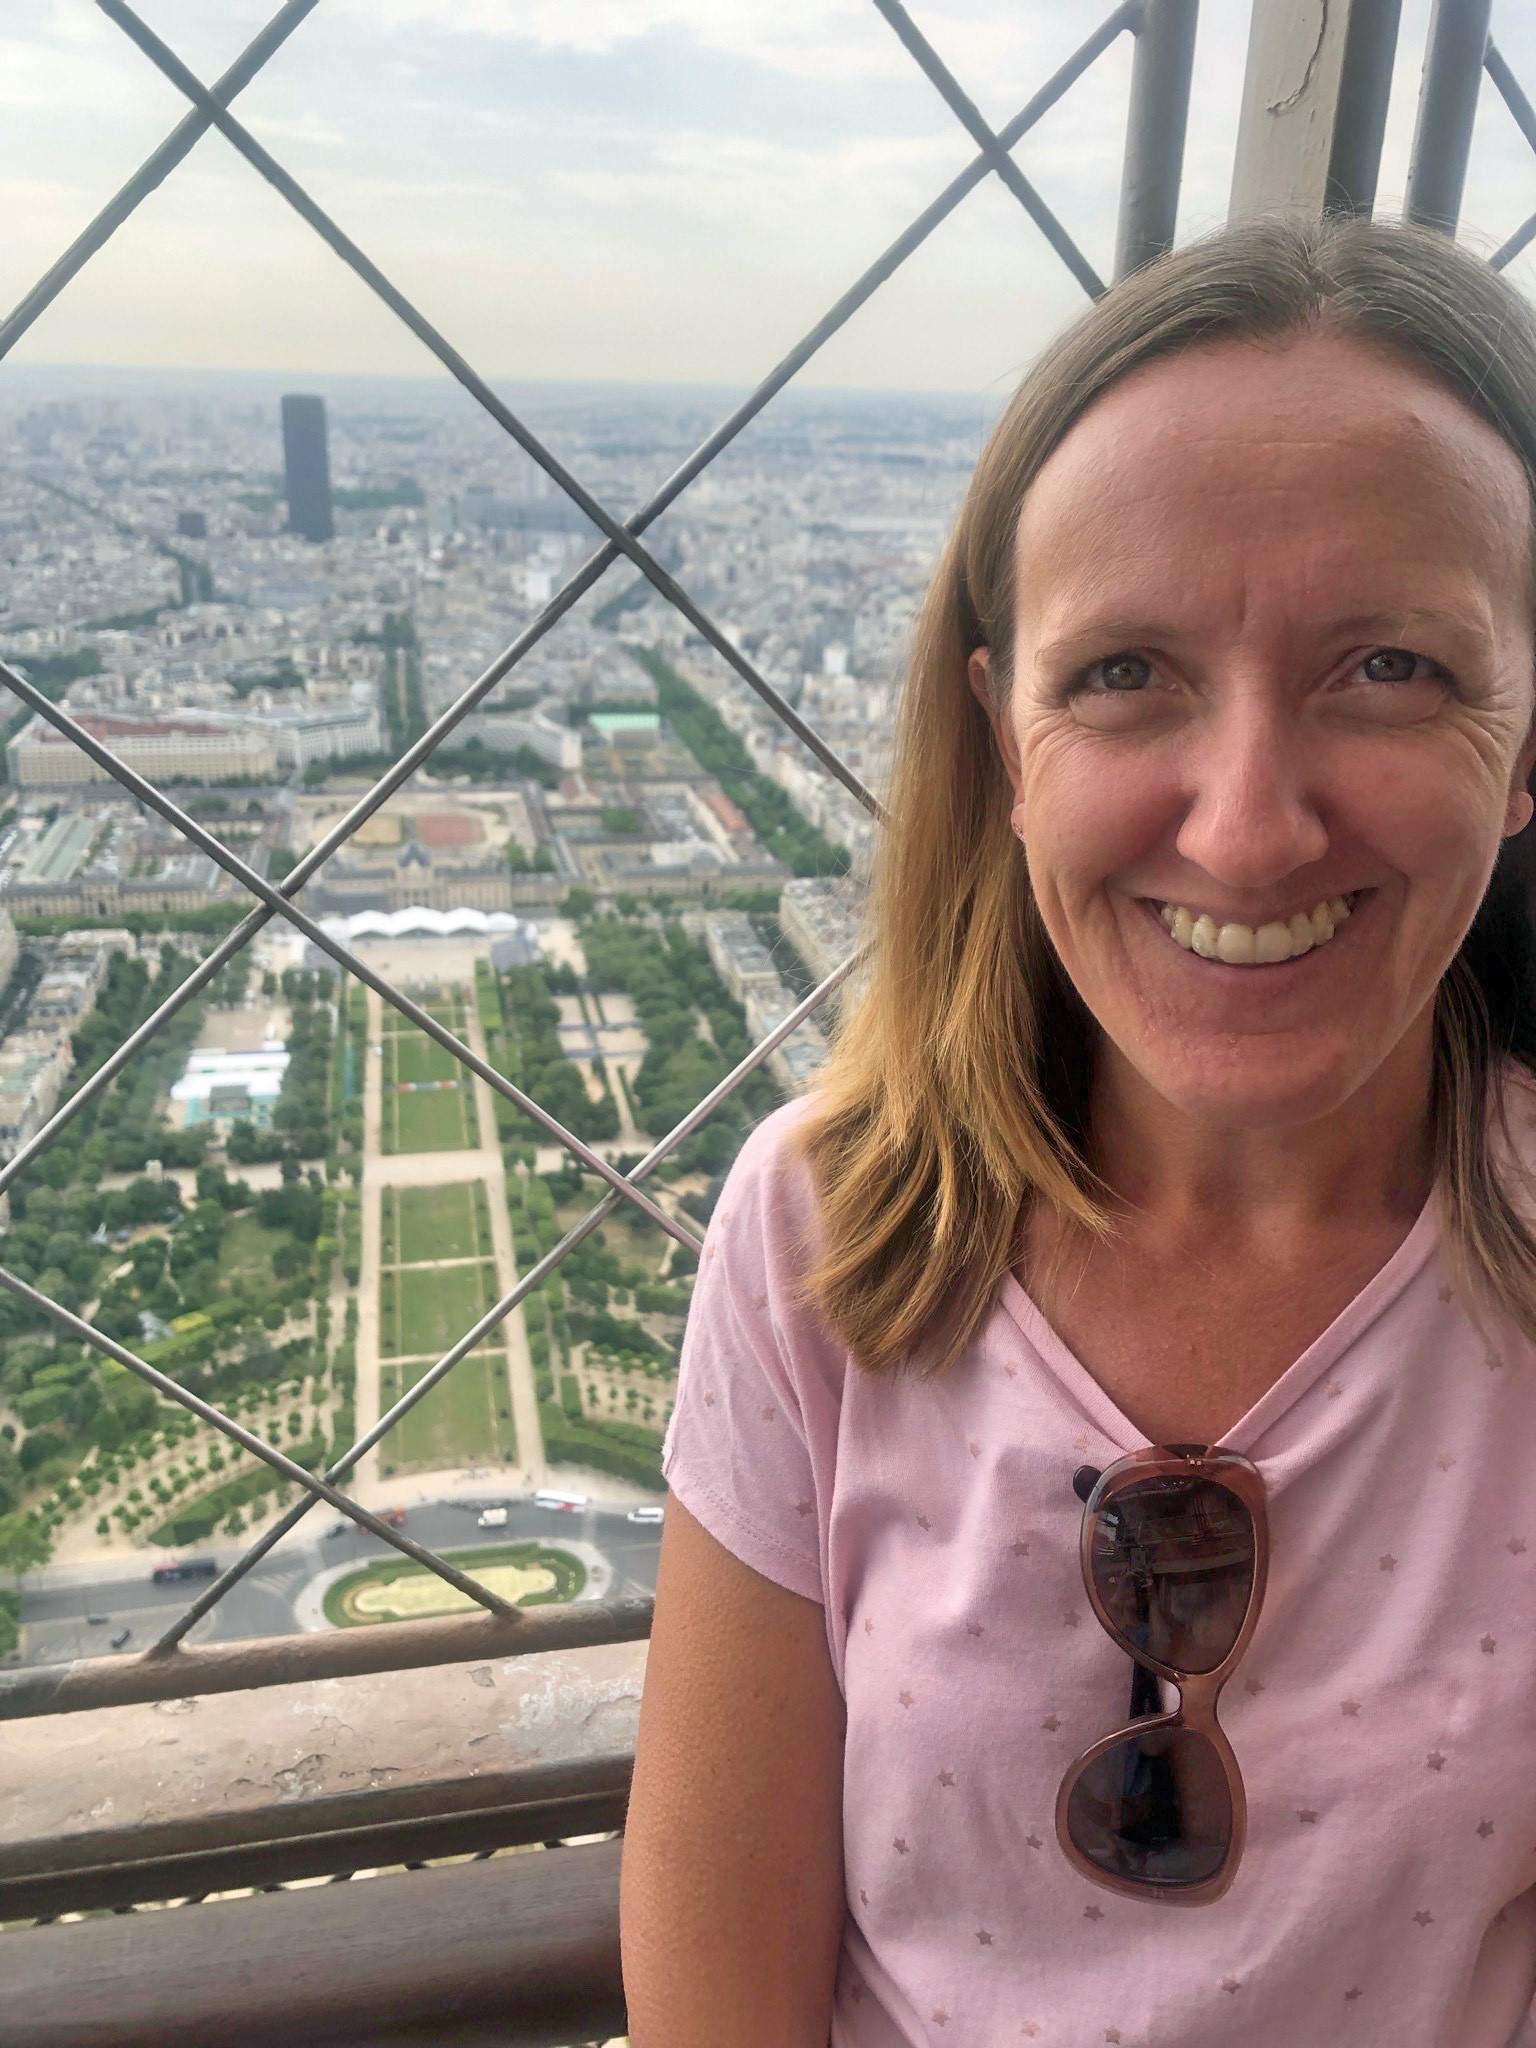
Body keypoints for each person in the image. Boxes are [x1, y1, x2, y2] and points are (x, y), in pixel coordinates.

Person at [618, 208, 1536, 2046]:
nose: (1251, 827)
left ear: (1528, 746)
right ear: (1004, 733)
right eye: (1126, 673)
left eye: (1393, 671)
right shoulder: (817, 1234)